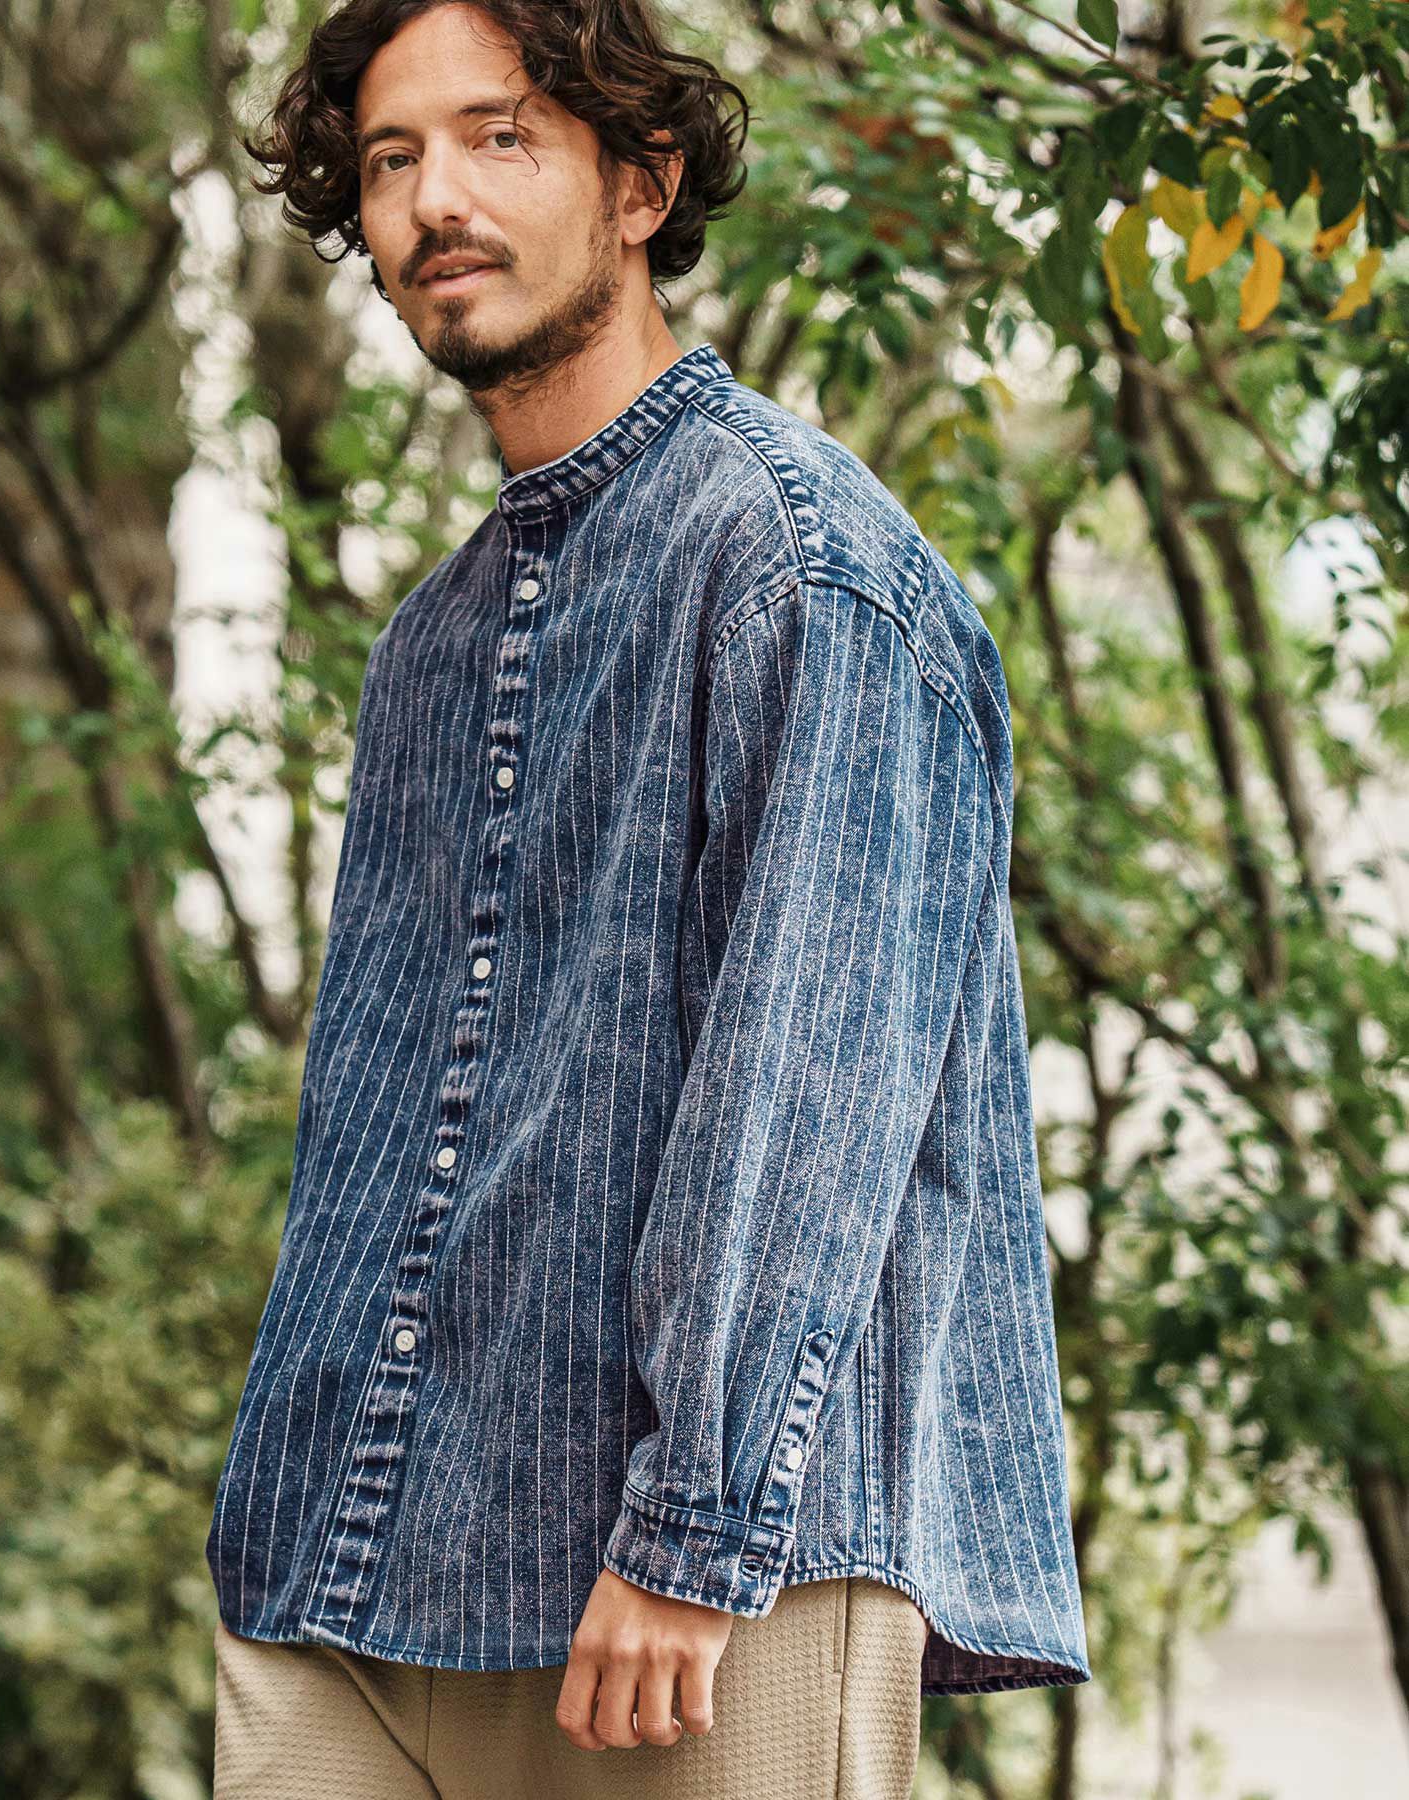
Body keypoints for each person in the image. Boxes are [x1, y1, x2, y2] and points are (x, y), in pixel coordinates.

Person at [205, 2, 1092, 1794]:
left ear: (640, 183)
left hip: (692, 1594)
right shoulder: (433, 645)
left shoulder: (806, 568)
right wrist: (277, 1507)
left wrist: (690, 1533)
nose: (435, 198)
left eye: (500, 136)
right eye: (391, 159)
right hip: (351, 1575)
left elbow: (811, 1092)